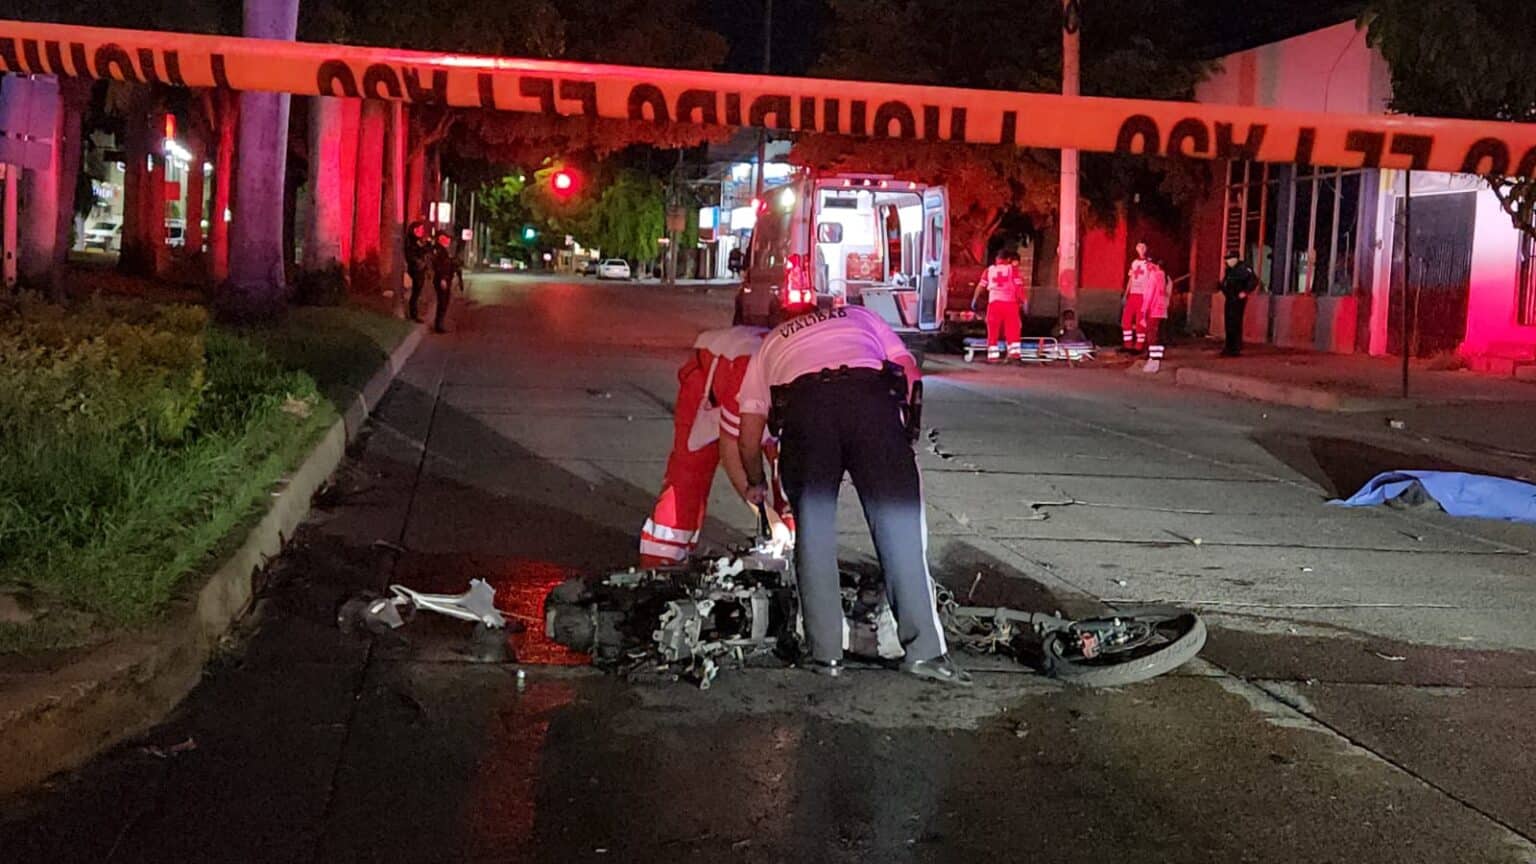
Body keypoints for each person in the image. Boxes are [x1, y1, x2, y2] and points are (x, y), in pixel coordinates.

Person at [735, 301, 971, 686]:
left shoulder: (772, 343)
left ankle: (826, 654)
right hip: (870, 403)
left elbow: (748, 435)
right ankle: (925, 653)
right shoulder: (860, 316)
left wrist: (755, 480)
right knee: (900, 528)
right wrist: (903, 433)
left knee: (813, 534)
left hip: (805, 413)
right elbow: (909, 372)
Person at [639, 325, 794, 567]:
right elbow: (732, 450)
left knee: (793, 472)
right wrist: (764, 511)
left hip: (762, 379)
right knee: (690, 471)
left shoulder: (804, 380)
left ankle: (795, 548)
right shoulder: (746, 380)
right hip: (708, 382)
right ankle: (661, 559)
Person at [973, 249, 1027, 362]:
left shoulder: (989, 270)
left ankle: (992, 357)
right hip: (1010, 304)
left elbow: (981, 286)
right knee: (1012, 330)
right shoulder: (1012, 270)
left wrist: (974, 300)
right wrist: (1024, 301)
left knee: (993, 330)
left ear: (997, 259)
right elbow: (1019, 287)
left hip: (994, 304)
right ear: (1008, 259)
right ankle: (1014, 355)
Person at [1220, 252, 1259, 357]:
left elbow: (1254, 280)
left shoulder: (1243, 268)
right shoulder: (1229, 270)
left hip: (1237, 299)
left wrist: (1245, 292)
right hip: (1230, 298)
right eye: (1227, 259)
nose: (1227, 261)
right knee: (1228, 323)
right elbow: (1226, 283)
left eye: (1229, 259)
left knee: (1235, 323)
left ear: (1235, 259)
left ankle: (1235, 348)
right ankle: (1228, 347)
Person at [1121, 241, 1154, 352]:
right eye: (1139, 247)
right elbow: (1131, 279)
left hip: (1143, 295)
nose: (1141, 249)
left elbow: (1152, 280)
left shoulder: (1149, 264)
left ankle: (1139, 346)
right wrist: (1126, 293)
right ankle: (1127, 345)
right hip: (1133, 294)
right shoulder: (1134, 263)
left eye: (1143, 247)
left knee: (1140, 321)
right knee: (1126, 320)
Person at [1142, 259, 1172, 373]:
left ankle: (1153, 360)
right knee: (1158, 335)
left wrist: (1144, 309)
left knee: (1152, 335)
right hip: (1162, 311)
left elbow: (1149, 294)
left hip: (1153, 310)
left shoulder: (1154, 276)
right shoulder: (1167, 278)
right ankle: (1157, 358)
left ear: (1156, 265)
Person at [428, 231, 460, 334]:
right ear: (440, 239)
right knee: (442, 302)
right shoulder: (439, 251)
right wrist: (442, 279)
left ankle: (440, 323)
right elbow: (439, 266)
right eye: (445, 239)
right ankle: (439, 325)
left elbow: (448, 265)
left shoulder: (444, 251)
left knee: (445, 301)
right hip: (442, 279)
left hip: (446, 279)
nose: (448, 241)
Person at [405, 220, 434, 323]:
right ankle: (413, 314)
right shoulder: (411, 241)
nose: (422, 231)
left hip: (420, 269)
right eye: (420, 229)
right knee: (416, 292)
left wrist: (429, 244)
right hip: (415, 269)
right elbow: (411, 255)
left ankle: (414, 313)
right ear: (415, 230)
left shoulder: (419, 241)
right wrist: (418, 262)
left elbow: (425, 251)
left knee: (417, 291)